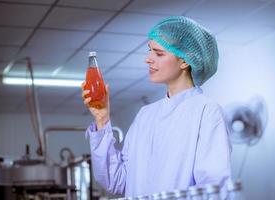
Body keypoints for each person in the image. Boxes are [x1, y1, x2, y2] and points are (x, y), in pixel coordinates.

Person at [82, 16, 231, 198]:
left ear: (185, 61)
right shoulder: (146, 115)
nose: (148, 59)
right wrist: (102, 119)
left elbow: (212, 190)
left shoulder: (206, 111)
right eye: (149, 51)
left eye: (159, 53)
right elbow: (117, 182)